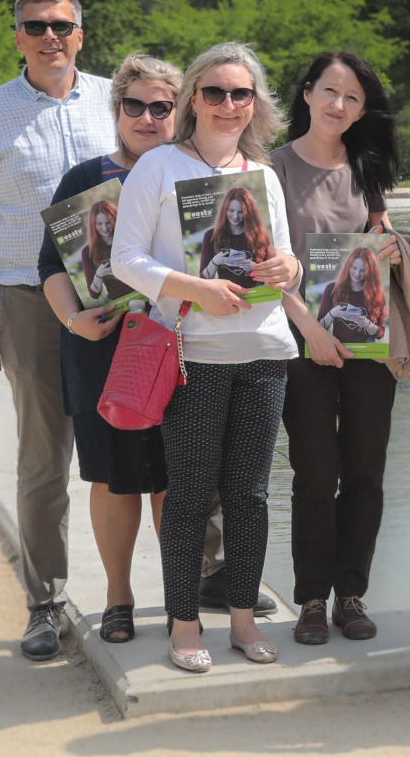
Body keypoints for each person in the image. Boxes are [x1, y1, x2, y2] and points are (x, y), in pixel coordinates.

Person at [113, 42, 301, 674]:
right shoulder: (160, 166)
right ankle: (184, 624)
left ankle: (243, 619)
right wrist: (197, 289)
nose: (228, 104)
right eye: (215, 92)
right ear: (193, 97)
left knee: (250, 495)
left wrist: (290, 265)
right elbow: (125, 260)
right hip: (192, 353)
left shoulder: (264, 173)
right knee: (191, 494)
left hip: (266, 349)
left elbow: (287, 264)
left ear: (256, 103)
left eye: (240, 93)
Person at [0, 0, 117, 661]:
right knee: (44, 458)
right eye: (36, 26)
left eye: (62, 25)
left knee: (162, 434)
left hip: (118, 298)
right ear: (17, 36)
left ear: (81, 32)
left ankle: (210, 578)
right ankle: (45, 602)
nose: (51, 36)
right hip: (28, 303)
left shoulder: (117, 101)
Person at [36, 53, 182, 644]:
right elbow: (51, 265)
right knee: (113, 477)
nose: (147, 117)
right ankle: (119, 599)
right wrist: (72, 320)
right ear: (116, 109)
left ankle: (182, 597)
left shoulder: (194, 176)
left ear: (180, 110)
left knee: (177, 475)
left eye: (161, 107)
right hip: (102, 349)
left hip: (181, 349)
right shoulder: (84, 181)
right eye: (135, 106)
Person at [271, 51, 402, 646]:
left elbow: (376, 249)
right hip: (302, 343)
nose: (339, 105)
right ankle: (311, 600)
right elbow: (262, 270)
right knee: (315, 474)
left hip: (369, 345)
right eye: (330, 92)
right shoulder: (270, 169)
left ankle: (352, 593)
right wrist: (311, 331)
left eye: (352, 98)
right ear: (306, 94)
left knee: (366, 471)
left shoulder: (368, 169)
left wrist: (392, 249)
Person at [199, 186, 270, 289]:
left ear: (248, 213)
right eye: (231, 211)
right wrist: (214, 262)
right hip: (226, 298)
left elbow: (273, 275)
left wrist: (255, 268)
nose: (235, 216)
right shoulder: (211, 236)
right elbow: (203, 281)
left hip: (256, 298)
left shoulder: (260, 235)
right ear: (224, 210)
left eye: (241, 212)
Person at [81, 200, 133, 301]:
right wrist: (98, 275)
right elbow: (94, 294)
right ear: (93, 225)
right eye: (99, 224)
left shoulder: (129, 237)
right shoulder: (87, 252)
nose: (104, 228)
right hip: (117, 303)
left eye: (108, 222)